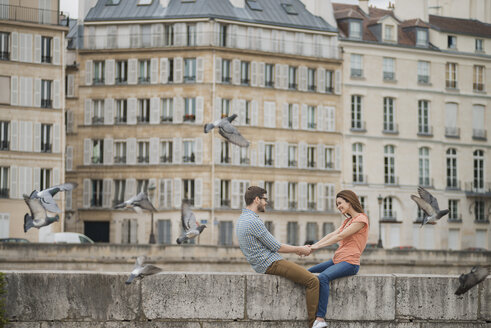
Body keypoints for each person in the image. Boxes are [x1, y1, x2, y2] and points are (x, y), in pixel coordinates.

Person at [236, 186, 320, 328]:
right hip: (270, 263)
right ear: (257, 200)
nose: (266, 202)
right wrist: (299, 249)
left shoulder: (242, 219)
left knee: (308, 274)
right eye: (264, 199)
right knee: (313, 281)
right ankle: (314, 324)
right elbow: (276, 246)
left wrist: (296, 250)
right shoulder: (254, 222)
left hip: (261, 263)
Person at [307, 190, 369, 328]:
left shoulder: (361, 219)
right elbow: (332, 234)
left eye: (340, 203)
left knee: (323, 277)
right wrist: (313, 246)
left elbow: (339, 237)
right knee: (307, 273)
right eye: (337, 204)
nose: (338, 206)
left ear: (349, 201)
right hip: (337, 260)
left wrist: (316, 248)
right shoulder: (347, 221)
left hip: (350, 262)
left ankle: (321, 319)